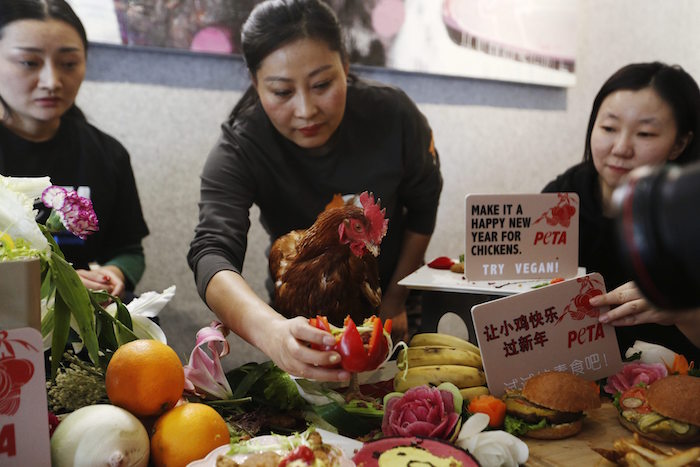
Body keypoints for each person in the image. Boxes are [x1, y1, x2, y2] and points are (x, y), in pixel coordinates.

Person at [188, 0, 442, 382]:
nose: (306, 110)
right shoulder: (242, 145)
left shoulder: (394, 116)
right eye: (281, 91)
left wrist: (393, 301)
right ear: (256, 83)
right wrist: (271, 332)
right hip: (298, 313)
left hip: (393, 294)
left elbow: (423, 208)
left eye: (322, 84)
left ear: (346, 66)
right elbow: (211, 252)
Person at [543, 62, 700, 362]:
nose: (621, 148)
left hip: (678, 383)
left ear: (680, 143)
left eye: (645, 133)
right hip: (577, 378)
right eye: (609, 128)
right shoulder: (560, 198)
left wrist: (684, 313)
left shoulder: (690, 211)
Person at [0, 0, 149, 299]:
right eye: (29, 62)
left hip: (77, 317)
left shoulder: (108, 155)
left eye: (68, 64)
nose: (52, 81)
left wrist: (112, 275)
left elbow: (128, 250)